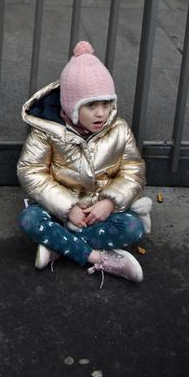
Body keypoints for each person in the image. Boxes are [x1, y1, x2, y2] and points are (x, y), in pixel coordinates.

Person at [17, 41, 152, 284]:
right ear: (71, 106)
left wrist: (109, 202)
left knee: (133, 228)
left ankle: (59, 245)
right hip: (58, 210)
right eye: (91, 105)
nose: (101, 113)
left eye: (106, 103)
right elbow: (31, 172)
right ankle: (97, 257)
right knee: (30, 219)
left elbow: (134, 171)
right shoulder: (47, 131)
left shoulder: (119, 130)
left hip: (98, 211)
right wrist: (68, 207)